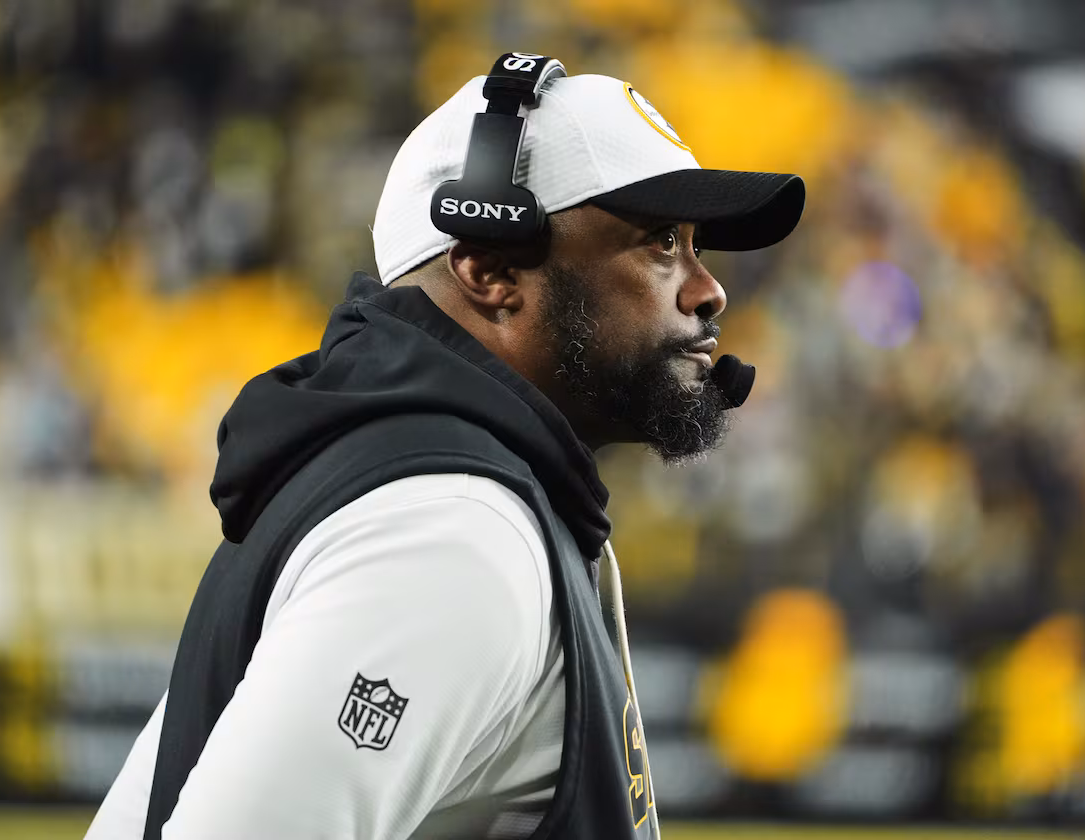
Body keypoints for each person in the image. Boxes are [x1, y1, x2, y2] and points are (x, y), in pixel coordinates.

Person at [85, 54, 805, 840]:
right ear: (491, 268)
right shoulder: (451, 528)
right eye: (662, 241)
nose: (708, 289)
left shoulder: (406, 484)